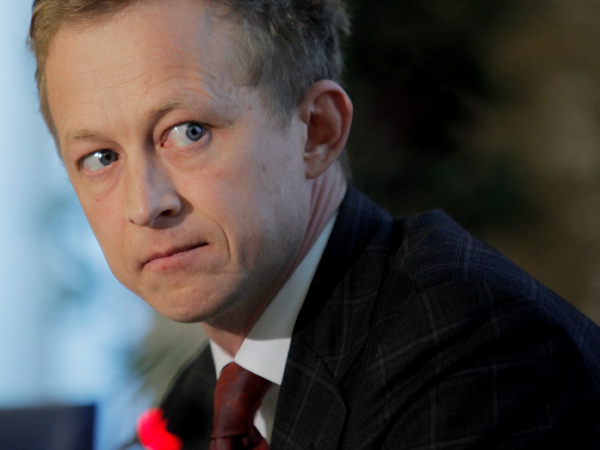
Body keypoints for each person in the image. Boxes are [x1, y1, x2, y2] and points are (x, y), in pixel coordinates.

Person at [29, 0, 600, 448]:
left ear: (317, 131)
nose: (145, 204)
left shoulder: (476, 348)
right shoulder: (196, 402)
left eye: (188, 131)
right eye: (100, 157)